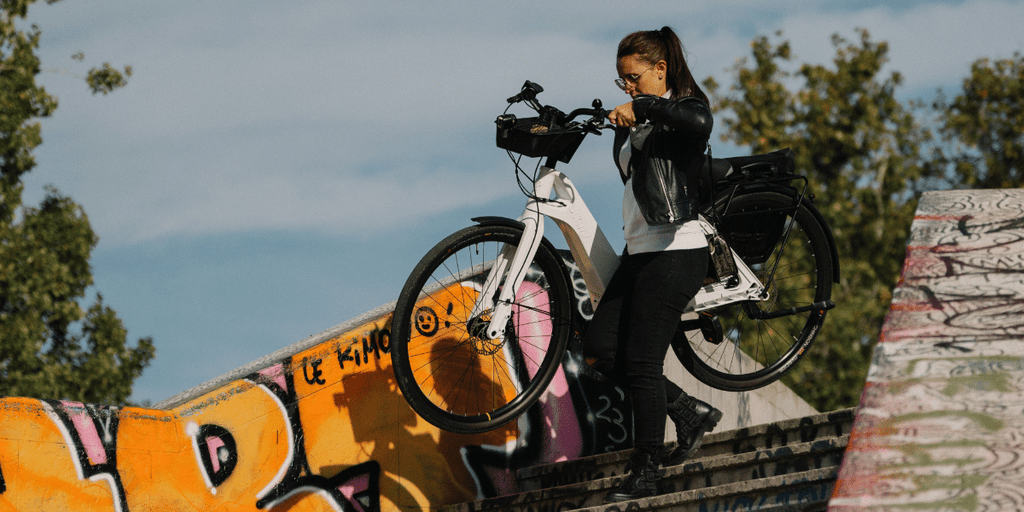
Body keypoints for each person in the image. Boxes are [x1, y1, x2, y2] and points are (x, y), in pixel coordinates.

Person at [584, 26, 723, 503]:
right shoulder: (637, 118)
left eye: (633, 78)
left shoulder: (684, 108)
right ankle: (686, 410)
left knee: (642, 363)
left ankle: (646, 469)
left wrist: (644, 106)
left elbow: (699, 123)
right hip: (640, 252)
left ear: (660, 70)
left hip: (678, 250)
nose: (627, 87)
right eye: (621, 80)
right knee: (600, 350)